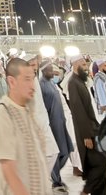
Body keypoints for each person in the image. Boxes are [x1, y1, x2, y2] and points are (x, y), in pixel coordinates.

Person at [0, 57, 48, 195]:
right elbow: (9, 170)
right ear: (12, 82)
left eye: (32, 79)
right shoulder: (2, 113)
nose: (32, 85)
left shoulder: (27, 111)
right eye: (27, 79)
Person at [67, 57, 106, 195]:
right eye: (83, 64)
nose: (85, 67)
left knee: (99, 165)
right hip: (87, 132)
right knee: (96, 165)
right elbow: (78, 112)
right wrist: (86, 136)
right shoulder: (73, 83)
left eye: (86, 64)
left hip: (92, 128)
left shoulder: (80, 80)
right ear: (75, 65)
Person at [40, 61, 74, 193]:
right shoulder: (42, 85)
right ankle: (56, 181)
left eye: (52, 69)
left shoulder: (51, 84)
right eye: (48, 69)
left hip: (60, 122)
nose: (52, 72)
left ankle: (54, 177)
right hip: (52, 125)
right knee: (57, 153)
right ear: (42, 71)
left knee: (66, 150)